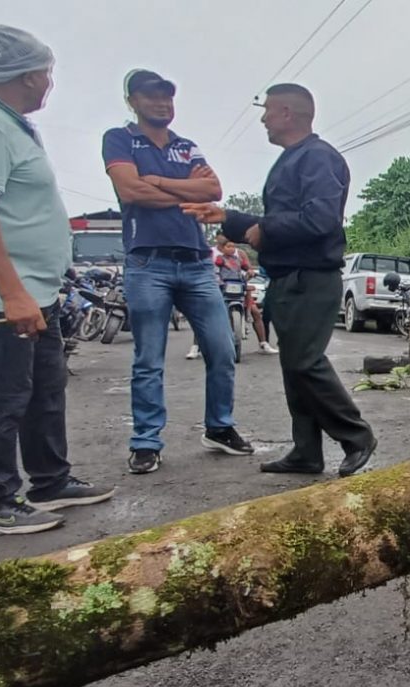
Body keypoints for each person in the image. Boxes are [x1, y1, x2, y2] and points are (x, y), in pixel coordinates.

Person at [182, 83, 376, 477]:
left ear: (288, 113)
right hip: (289, 277)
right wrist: (228, 218)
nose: (263, 118)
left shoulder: (318, 159)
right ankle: (307, 451)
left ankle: (356, 436)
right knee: (293, 366)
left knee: (306, 362)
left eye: (268, 110)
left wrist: (263, 228)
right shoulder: (294, 159)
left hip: (312, 277)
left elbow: (320, 220)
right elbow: (274, 223)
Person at [0, 25, 115, 534]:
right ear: (27, 75)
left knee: (46, 388)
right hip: (7, 296)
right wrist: (13, 292)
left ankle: (51, 479)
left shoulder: (15, 125)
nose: (50, 82)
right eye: (47, 72)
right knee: (5, 397)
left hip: (38, 291)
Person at [102, 68, 253, 474]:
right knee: (148, 358)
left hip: (198, 262)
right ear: (132, 100)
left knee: (223, 349)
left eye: (168, 98)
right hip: (147, 262)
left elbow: (212, 191)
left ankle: (219, 427)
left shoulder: (186, 147)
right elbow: (130, 191)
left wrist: (155, 180)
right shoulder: (120, 139)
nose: (163, 104)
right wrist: (178, 186)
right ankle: (146, 441)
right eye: (152, 97)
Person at [187, 233, 278, 358]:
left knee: (255, 312)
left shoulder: (239, 255)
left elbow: (248, 267)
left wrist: (250, 272)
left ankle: (263, 343)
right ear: (219, 242)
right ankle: (196, 347)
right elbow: (204, 267)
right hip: (218, 286)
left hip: (239, 287)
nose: (231, 248)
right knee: (204, 313)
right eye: (227, 245)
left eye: (232, 245)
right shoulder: (211, 253)